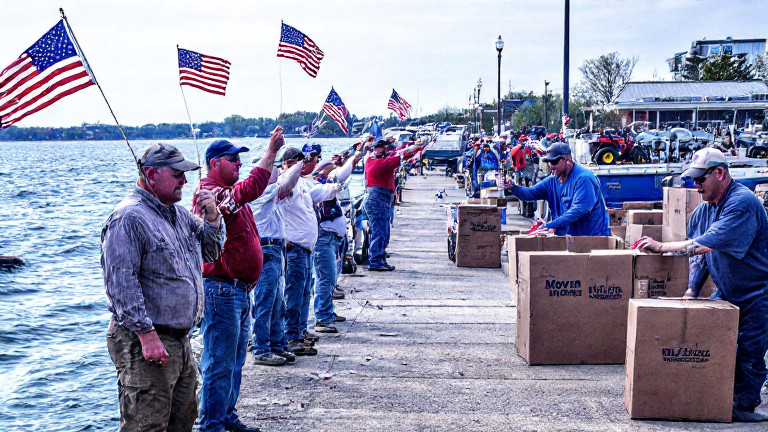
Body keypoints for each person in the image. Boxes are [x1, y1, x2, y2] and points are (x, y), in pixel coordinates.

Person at [637, 148, 768, 422]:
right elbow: (701, 259)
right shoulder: (704, 212)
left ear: (719, 173)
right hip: (729, 291)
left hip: (758, 293)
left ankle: (744, 406)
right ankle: (720, 394)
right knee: (712, 340)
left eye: (700, 180)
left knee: (749, 350)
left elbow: (700, 245)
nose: (695, 187)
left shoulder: (740, 203)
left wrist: (661, 247)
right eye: (692, 181)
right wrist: (691, 291)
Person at [102, 143, 222, 432]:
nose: (184, 180)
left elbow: (211, 252)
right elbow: (121, 283)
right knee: (147, 424)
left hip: (179, 341)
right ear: (152, 174)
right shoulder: (128, 218)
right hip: (147, 341)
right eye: (177, 173)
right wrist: (146, 334)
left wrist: (212, 216)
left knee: (182, 421)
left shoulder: (178, 215)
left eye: (186, 173)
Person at [195, 128, 284, 432]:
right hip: (221, 289)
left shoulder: (226, 191)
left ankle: (226, 418)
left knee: (233, 361)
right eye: (232, 159)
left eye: (239, 159)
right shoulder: (210, 192)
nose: (238, 164)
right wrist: (271, 151)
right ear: (214, 162)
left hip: (237, 291)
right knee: (219, 363)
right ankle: (212, 425)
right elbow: (251, 187)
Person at [279, 147, 340, 352]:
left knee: (304, 293)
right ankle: (291, 336)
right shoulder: (285, 184)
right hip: (294, 248)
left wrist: (336, 183)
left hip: (305, 248)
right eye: (298, 162)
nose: (303, 165)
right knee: (294, 294)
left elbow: (322, 193)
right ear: (288, 164)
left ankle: (299, 330)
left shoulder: (303, 185)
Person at [312, 139, 369, 333]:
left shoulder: (327, 182)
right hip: (324, 239)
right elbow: (334, 179)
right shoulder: (316, 187)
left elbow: (343, 172)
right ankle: (322, 316)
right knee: (325, 278)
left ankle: (327, 311)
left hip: (333, 239)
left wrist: (356, 155)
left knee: (331, 277)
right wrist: (332, 169)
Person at [249, 162, 303, 366]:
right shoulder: (262, 193)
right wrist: (301, 162)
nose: (279, 175)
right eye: (274, 172)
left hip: (274, 248)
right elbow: (287, 185)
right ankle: (261, 348)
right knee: (265, 300)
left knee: (278, 301)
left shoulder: (269, 196)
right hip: (267, 249)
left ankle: (276, 343)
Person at [505, 142, 610, 236]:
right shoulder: (553, 180)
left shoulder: (584, 178)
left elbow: (579, 209)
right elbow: (529, 194)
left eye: (554, 162)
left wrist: (551, 225)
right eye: (549, 162)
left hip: (594, 239)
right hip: (571, 240)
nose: (551, 166)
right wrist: (512, 187)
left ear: (568, 160)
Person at [363, 139, 420, 271]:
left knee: (381, 230)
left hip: (377, 197)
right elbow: (402, 155)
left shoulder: (370, 161)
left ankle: (379, 258)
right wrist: (417, 147)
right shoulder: (381, 163)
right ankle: (376, 261)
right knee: (379, 231)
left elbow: (396, 153)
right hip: (378, 198)